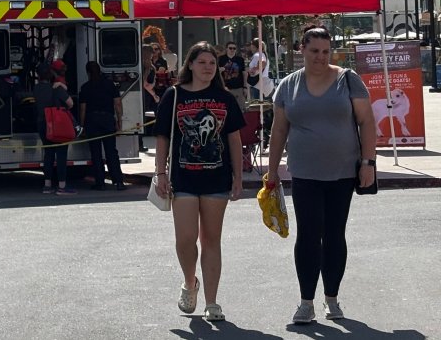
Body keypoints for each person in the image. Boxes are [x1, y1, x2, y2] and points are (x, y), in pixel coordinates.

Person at [265, 27, 377, 325]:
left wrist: (368, 162)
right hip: (304, 173)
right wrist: (272, 169)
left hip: (342, 172)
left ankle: (332, 298)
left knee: (334, 234)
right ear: (302, 49)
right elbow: (279, 130)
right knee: (308, 235)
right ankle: (306, 302)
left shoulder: (348, 79)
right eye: (314, 50)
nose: (320, 57)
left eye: (326, 51)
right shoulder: (288, 85)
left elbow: (366, 122)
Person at [154, 41, 245, 322]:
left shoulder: (225, 98)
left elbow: (233, 139)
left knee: (211, 240)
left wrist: (239, 178)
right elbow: (162, 137)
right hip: (183, 178)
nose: (208, 67)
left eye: (212, 63)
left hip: (217, 177)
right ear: (190, 64)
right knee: (185, 239)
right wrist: (160, 172)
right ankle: (189, 281)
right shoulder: (174, 95)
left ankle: (212, 302)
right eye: (202, 61)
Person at [79, 61, 125, 191]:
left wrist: (82, 126)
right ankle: (118, 181)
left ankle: (100, 182)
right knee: (111, 152)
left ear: (87, 72)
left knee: (96, 153)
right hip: (107, 119)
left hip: (92, 121)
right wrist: (119, 121)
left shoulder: (85, 87)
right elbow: (117, 104)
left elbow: (83, 109)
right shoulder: (110, 85)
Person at [34, 66, 76, 195]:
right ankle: (62, 186)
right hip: (58, 124)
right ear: (51, 75)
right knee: (61, 155)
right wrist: (62, 87)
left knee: (49, 154)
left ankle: (47, 185)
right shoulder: (56, 88)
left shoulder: (37, 89)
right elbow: (70, 104)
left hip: (42, 124)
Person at [219, 41, 247, 109]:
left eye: (234, 48)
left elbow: (244, 74)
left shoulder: (240, 59)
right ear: (226, 49)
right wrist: (219, 70)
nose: (232, 50)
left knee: (240, 109)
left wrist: (245, 87)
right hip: (226, 88)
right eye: (230, 48)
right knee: (227, 108)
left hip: (238, 88)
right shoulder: (221, 59)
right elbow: (216, 73)